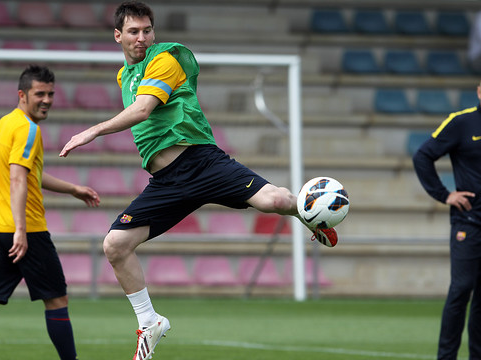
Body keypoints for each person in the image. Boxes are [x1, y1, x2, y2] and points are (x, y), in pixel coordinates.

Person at [58, 2, 337, 359]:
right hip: (167, 182)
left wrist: (93, 131)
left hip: (202, 162)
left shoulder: (165, 59)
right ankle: (150, 321)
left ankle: (311, 214)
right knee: (115, 246)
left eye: (147, 30)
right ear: (118, 35)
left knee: (277, 202)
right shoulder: (123, 75)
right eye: (133, 31)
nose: (141, 38)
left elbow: (144, 110)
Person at [0, 65, 100, 360]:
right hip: (27, 231)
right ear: (22, 95)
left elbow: (30, 173)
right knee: (57, 300)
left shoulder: (5, 124)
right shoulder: (28, 129)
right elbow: (18, 178)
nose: (46, 100)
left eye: (50, 94)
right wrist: (21, 230)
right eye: (40, 94)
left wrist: (73, 189)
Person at [413, 82, 481, 360]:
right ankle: (446, 357)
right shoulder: (462, 122)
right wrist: (444, 195)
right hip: (469, 222)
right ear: (479, 91)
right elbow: (423, 156)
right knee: (461, 288)